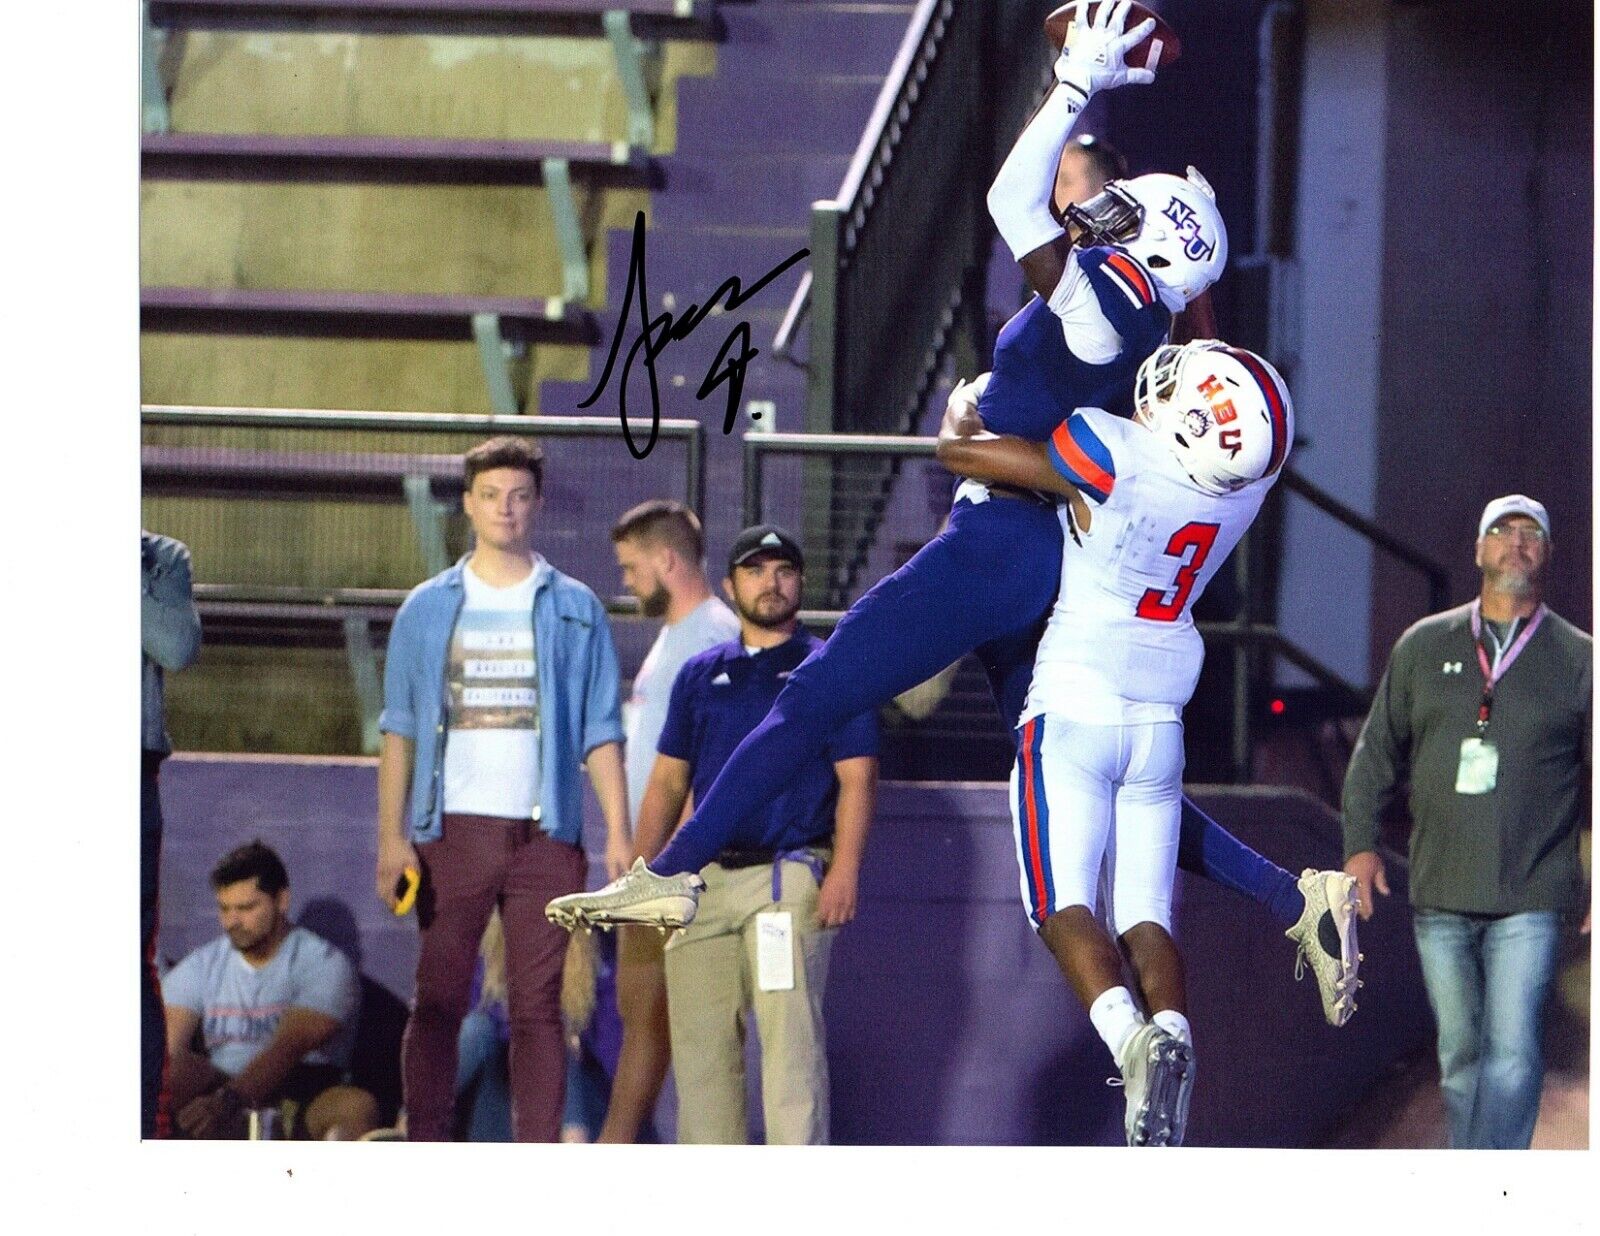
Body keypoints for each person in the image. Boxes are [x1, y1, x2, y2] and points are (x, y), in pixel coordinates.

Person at [544, 2, 1361, 1031]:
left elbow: (1007, 196)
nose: (1101, 211)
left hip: (1000, 544)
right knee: (1103, 784)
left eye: (1125, 211)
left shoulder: (1105, 303)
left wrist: (1074, 86)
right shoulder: (1137, 313)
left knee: (813, 693)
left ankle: (674, 869)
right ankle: (1297, 898)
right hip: (1041, 549)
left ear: (1150, 245)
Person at [945, 340, 1296, 1145]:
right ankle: (1172, 1039)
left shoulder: (1112, 449)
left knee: (1059, 901)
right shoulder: (1244, 486)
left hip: (1075, 697)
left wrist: (963, 408)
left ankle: (1130, 1041)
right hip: (1160, 712)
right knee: (1146, 910)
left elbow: (961, 452)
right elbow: (1257, 424)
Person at [554, 526, 879, 1143]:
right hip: (699, 887)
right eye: (756, 571)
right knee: (701, 1056)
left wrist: (844, 870)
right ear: (731, 586)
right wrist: (639, 881)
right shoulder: (703, 674)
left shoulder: (832, 668)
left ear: (800, 583)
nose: (771, 582)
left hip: (785, 878)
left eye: (784, 570)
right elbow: (668, 784)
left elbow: (858, 778)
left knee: (791, 1050)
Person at [375, 434, 629, 1142]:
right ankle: (424, 1140)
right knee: (438, 1000)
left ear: (538, 505)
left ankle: (537, 1157)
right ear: (468, 504)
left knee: (539, 1007)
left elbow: (602, 729)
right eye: (490, 496)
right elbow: (398, 729)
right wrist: (391, 837)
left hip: (546, 837)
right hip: (450, 832)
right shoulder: (426, 609)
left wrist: (620, 834)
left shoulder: (576, 609)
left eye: (519, 497)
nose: (505, 510)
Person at [1341, 494, 1591, 1149]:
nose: (1516, 543)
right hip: (1441, 890)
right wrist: (1361, 845)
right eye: (1501, 532)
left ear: (1548, 552)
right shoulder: (1425, 646)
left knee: (1511, 1051)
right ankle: (1475, 1169)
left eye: (1530, 533)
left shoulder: (1578, 658)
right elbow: (1375, 753)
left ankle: (1489, 1185)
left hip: (1531, 891)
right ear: (1479, 550)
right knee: (1460, 1053)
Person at [599, 501, 741, 1143]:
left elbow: (709, 761)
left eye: (633, 568)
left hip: (669, 866)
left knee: (656, 1015)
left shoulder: (712, 633)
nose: (627, 582)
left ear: (667, 560)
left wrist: (669, 861)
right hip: (647, 859)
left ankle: (616, 1145)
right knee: (643, 1013)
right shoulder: (677, 635)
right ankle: (620, 1142)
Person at [162, 841, 380, 1140]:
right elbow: (167, 1044)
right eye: (224, 909)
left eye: (246, 908)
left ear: (281, 901)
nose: (232, 921)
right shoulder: (203, 964)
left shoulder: (323, 963)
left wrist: (228, 1102)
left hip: (303, 1092)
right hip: (221, 1084)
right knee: (167, 1073)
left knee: (356, 1107)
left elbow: (288, 1048)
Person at [141, 529, 201, 1138]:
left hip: (133, 767)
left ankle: (141, 1131)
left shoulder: (161, 558)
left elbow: (176, 647)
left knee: (130, 959)